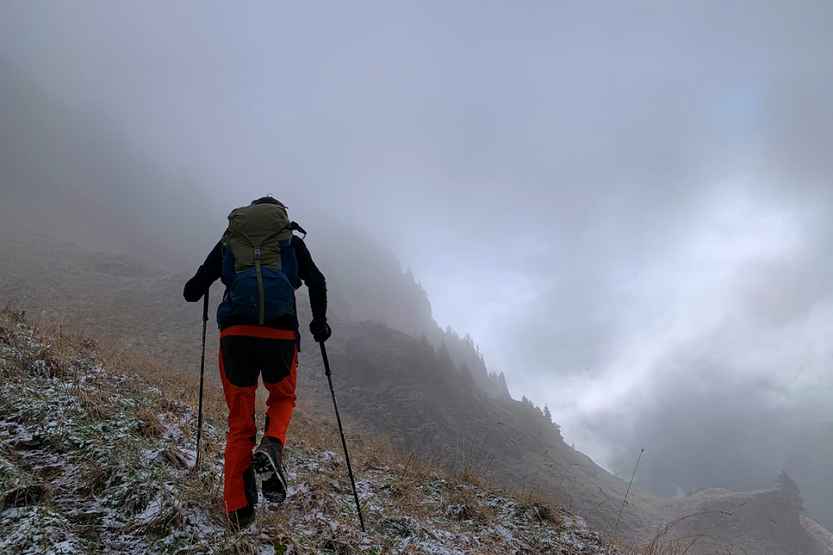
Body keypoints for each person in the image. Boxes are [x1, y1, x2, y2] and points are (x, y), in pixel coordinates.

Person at [183, 196, 331, 530]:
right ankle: (273, 444)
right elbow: (317, 281)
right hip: (280, 336)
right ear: (279, 218)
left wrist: (205, 284)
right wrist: (318, 324)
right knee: (282, 398)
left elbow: (192, 291)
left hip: (235, 334)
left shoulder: (230, 240)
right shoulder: (289, 242)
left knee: (239, 423)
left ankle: (237, 512)